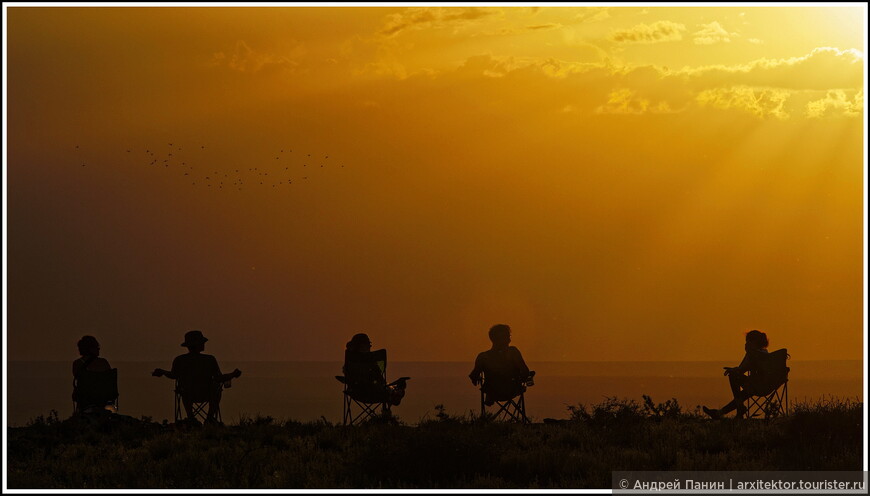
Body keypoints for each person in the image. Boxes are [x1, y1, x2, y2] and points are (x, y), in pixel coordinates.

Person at [152, 330, 241, 424]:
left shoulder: (180, 360)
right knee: (216, 388)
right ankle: (210, 418)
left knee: (183, 389)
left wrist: (162, 371)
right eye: (202, 342)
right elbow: (218, 378)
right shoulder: (209, 359)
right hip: (207, 393)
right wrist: (232, 375)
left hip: (188, 395)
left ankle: (190, 417)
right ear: (198, 344)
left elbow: (173, 375)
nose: (204, 344)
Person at [703, 330, 770, 419]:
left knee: (733, 376)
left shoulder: (753, 354)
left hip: (756, 385)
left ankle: (738, 408)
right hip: (766, 385)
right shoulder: (765, 352)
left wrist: (733, 370)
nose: (746, 344)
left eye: (747, 341)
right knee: (742, 395)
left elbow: (741, 370)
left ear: (753, 342)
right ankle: (719, 413)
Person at [469, 324, 532, 406]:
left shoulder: (483, 357)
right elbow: (525, 372)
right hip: (511, 390)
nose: (509, 340)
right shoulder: (513, 352)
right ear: (503, 339)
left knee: (492, 384)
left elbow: (474, 376)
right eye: (508, 336)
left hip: (492, 392)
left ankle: (490, 396)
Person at [343, 333, 407, 406]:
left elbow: (348, 377)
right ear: (362, 346)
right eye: (369, 344)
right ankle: (395, 392)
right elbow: (379, 380)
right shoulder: (370, 362)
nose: (370, 347)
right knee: (384, 387)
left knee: (382, 386)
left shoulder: (350, 361)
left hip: (355, 392)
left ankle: (395, 391)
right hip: (374, 393)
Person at [72, 335, 115, 413]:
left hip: (85, 401)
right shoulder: (103, 363)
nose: (99, 348)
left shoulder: (77, 364)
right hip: (103, 400)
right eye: (97, 346)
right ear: (90, 349)